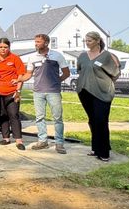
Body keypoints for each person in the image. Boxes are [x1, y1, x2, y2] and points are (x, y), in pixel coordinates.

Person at [19, 34, 70, 154]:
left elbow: (66, 73)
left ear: (46, 43)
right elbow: (28, 74)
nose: (36, 44)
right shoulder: (32, 57)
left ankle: (59, 143)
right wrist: (19, 79)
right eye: (35, 41)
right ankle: (42, 141)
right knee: (39, 117)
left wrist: (56, 81)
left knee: (57, 118)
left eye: (38, 42)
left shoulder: (57, 55)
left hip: (53, 92)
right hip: (38, 92)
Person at [76, 32, 120, 162]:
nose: (87, 42)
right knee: (92, 120)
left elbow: (115, 73)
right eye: (86, 40)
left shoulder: (107, 56)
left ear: (97, 41)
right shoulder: (83, 56)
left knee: (101, 120)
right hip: (85, 91)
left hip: (102, 92)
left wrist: (105, 82)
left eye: (89, 40)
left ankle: (104, 151)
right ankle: (95, 148)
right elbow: (80, 70)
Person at [0, 37, 27, 150]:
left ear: (9, 47)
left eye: (5, 47)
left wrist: (18, 91)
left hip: (12, 92)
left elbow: (21, 76)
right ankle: (6, 138)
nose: (3, 49)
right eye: (1, 47)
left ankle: (18, 140)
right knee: (2, 115)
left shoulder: (15, 58)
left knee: (14, 115)